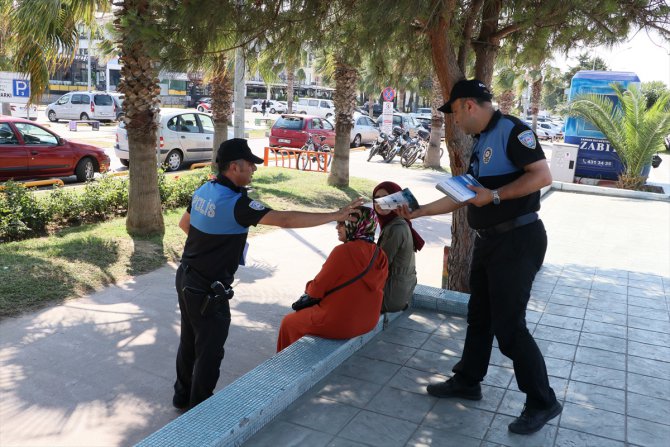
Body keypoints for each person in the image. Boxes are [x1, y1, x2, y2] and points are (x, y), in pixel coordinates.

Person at [399, 79, 559, 435]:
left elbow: (542, 176)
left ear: (469, 105)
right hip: (490, 242)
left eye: (455, 112)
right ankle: (468, 380)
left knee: (509, 327)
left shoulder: (513, 131)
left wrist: (497, 196)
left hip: (518, 240)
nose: (454, 120)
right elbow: (465, 193)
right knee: (479, 316)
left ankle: (542, 401)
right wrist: (420, 211)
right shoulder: (482, 141)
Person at [173, 138, 363, 410]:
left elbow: (184, 224)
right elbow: (285, 219)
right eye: (250, 165)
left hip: (185, 277)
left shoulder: (205, 189)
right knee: (209, 351)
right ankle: (199, 413)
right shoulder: (237, 205)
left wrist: (210, 246)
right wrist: (336, 214)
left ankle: (181, 398)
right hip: (207, 291)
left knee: (189, 341)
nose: (253, 170)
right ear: (235, 167)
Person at [276, 206, 388, 351]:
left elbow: (316, 290)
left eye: (342, 223)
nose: (337, 227)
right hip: (368, 320)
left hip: (340, 323)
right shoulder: (380, 254)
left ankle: (284, 366)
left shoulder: (343, 251)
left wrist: (309, 287)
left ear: (355, 224)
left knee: (289, 322)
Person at [372, 181, 424, 313]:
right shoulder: (398, 223)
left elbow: (379, 266)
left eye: (386, 198)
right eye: (376, 199)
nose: (380, 203)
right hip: (401, 294)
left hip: (390, 298)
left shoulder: (395, 228)